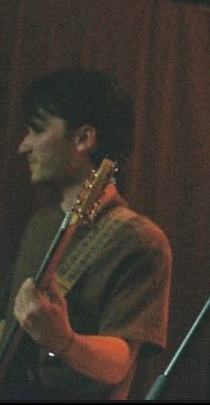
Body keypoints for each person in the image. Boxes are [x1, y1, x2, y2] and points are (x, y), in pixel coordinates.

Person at [0, 69, 172, 399]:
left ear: (83, 139)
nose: (24, 145)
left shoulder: (139, 239)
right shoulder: (41, 225)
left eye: (36, 130)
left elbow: (120, 362)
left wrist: (62, 340)